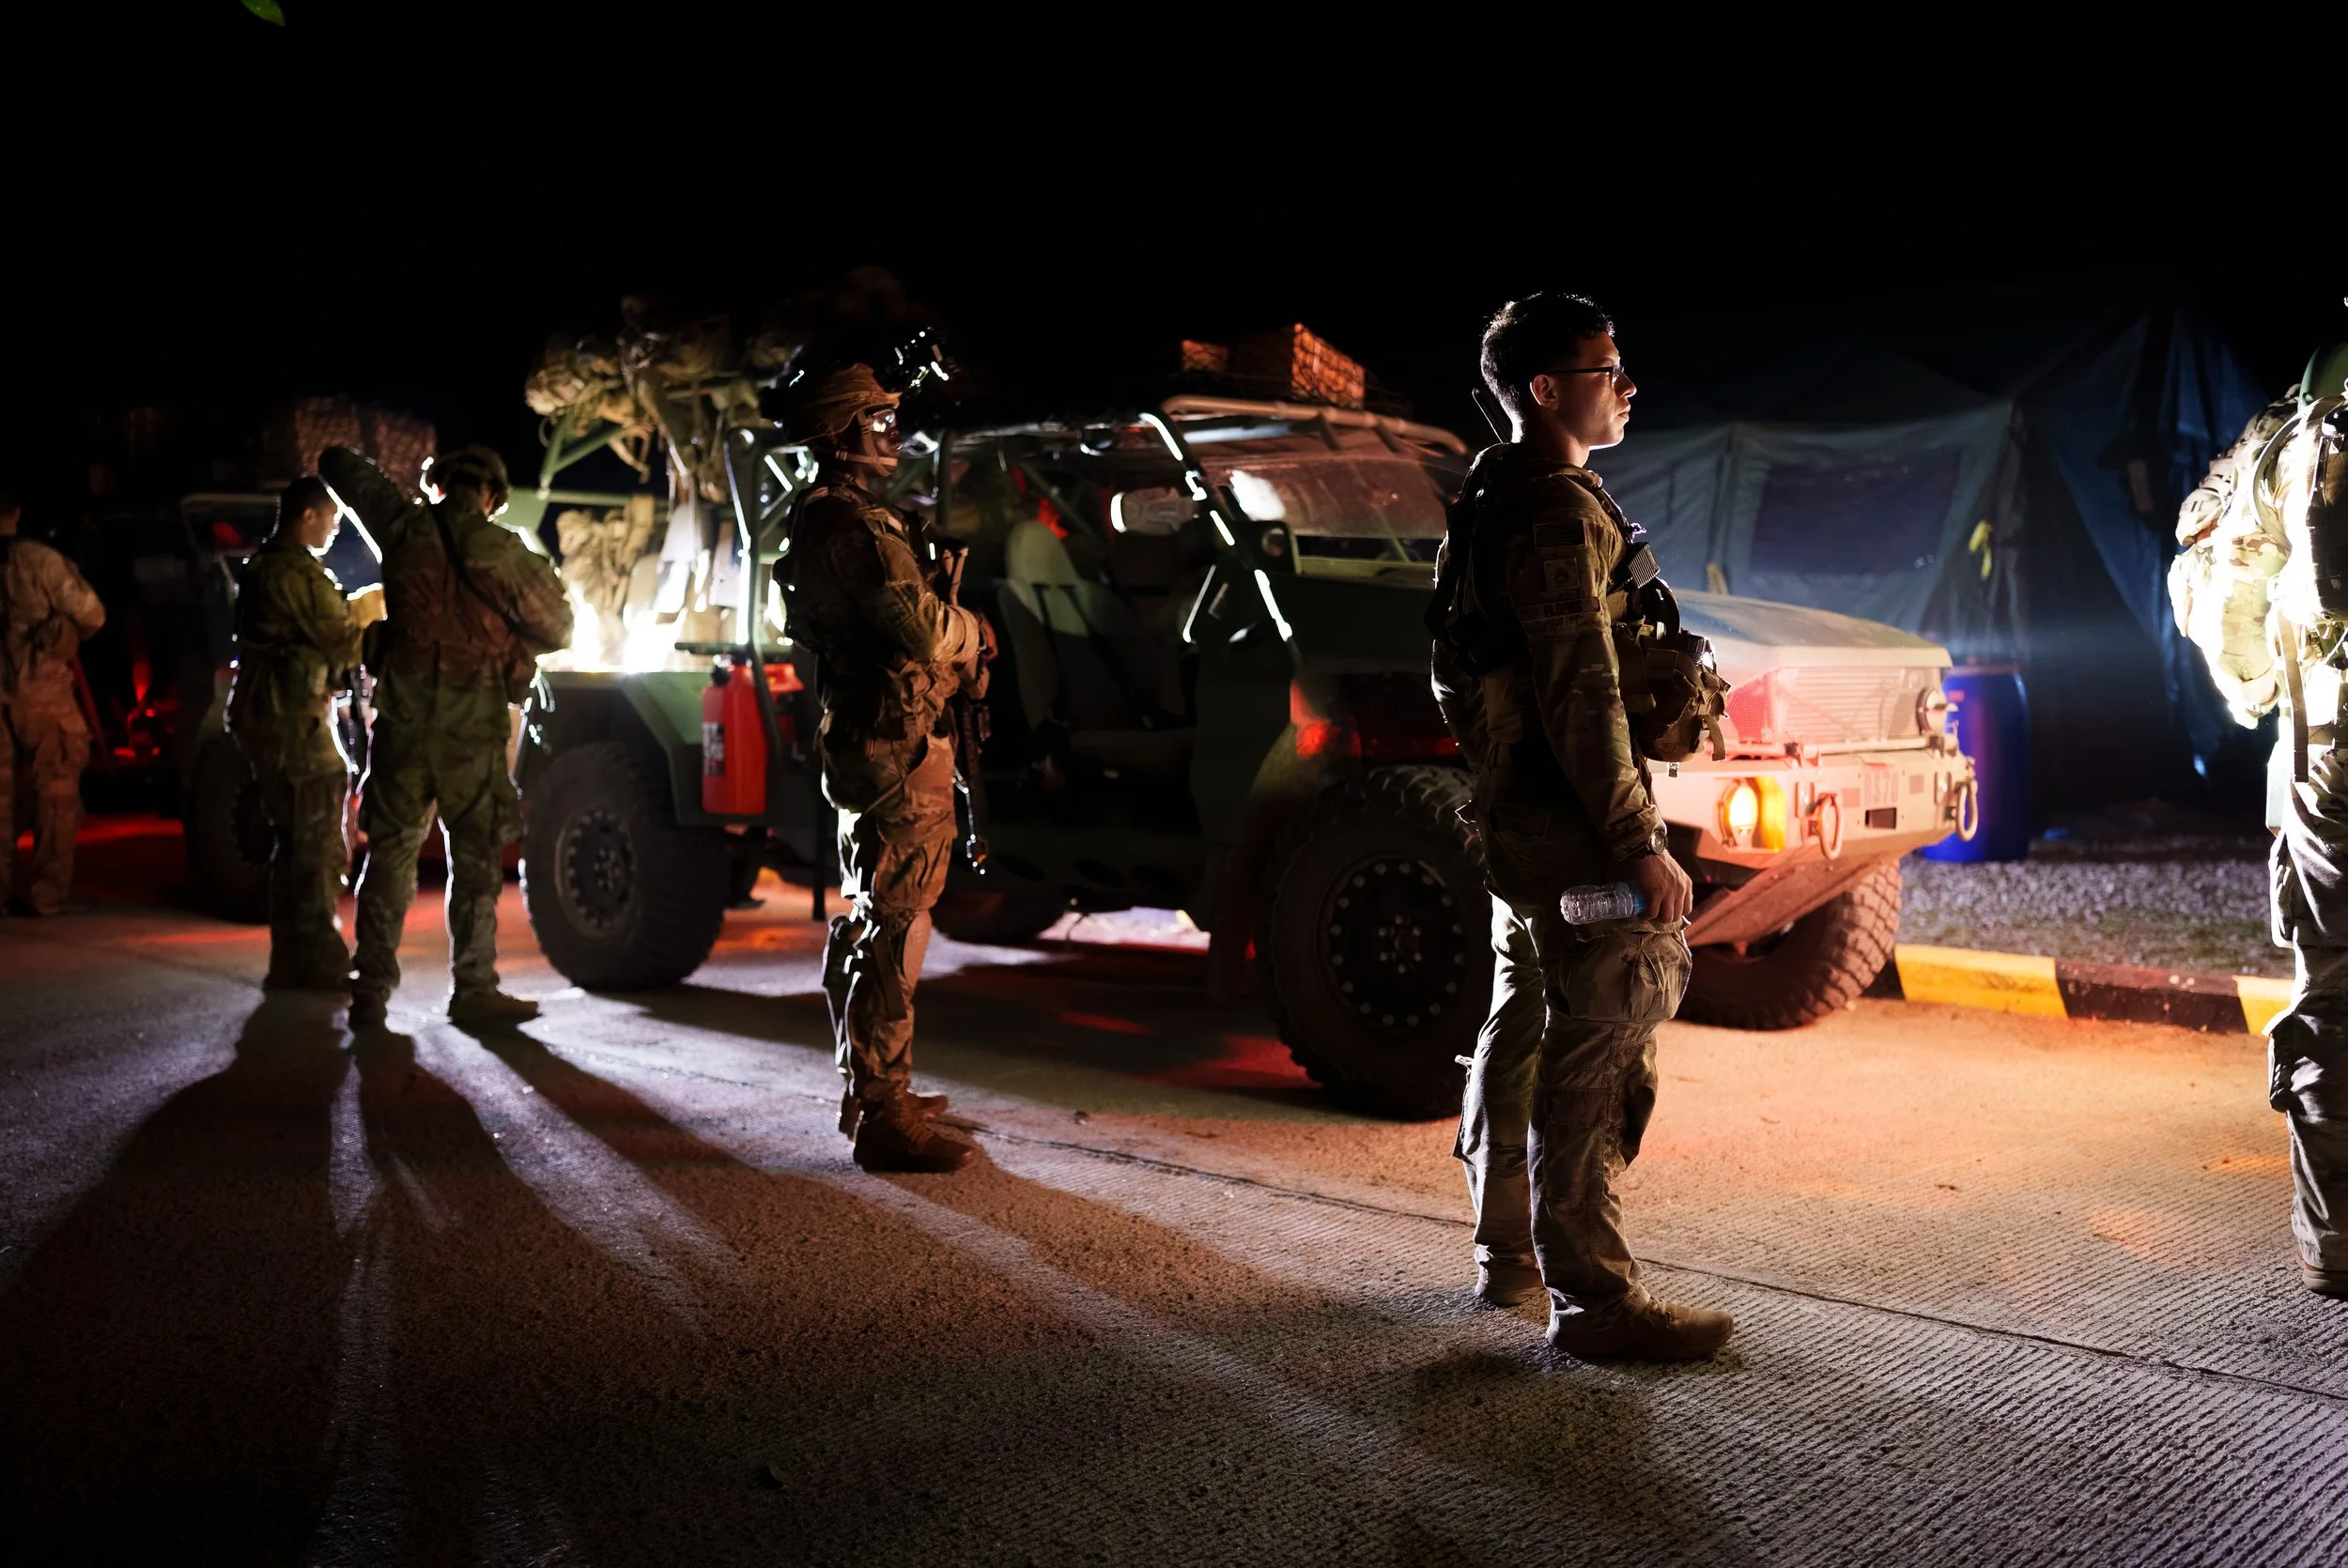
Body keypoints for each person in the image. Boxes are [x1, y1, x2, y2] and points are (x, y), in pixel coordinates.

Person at [1429, 294, 1733, 1360]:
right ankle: (1594, 1301)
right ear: (1549, 388)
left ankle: (1504, 1248)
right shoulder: (1554, 508)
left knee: (1521, 1017)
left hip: (1518, 813)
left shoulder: (1488, 491)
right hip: (1568, 822)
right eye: (1608, 368)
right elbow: (1580, 690)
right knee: (1602, 1029)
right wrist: (1638, 840)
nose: (1628, 384)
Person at [774, 362, 992, 1174]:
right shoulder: (848, 527)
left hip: (885, 737)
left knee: (885, 913)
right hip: (890, 747)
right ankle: (882, 1108)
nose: (892, 432)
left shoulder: (846, 518)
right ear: (840, 434)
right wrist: (973, 635)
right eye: (876, 419)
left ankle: (875, 1087)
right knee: (895, 920)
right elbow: (922, 630)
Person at [2171, 344, 2348, 1300]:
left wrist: (2255, 690)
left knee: (2335, 994)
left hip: (2336, 759)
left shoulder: (2308, 419)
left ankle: (2338, 1241)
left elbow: (2225, 591)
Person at [317, 445, 572, 1030]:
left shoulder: (402, 529)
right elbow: (560, 627)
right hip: (471, 736)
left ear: (437, 486)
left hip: (404, 729)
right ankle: (474, 990)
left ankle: (371, 991)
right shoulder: (505, 551)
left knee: (390, 859)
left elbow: (336, 463)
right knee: (476, 862)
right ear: (492, 497)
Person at [224, 476, 383, 989]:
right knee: (316, 844)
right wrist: (375, 601)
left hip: (277, 715)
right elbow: (340, 632)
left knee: (293, 844)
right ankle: (321, 966)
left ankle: (290, 963)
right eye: (331, 516)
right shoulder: (293, 570)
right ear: (306, 516)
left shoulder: (268, 567)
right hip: (291, 718)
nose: (337, 526)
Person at [0, 488, 106, 916]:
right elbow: (93, 615)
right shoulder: (40, 561)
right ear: (17, 509)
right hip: (41, 696)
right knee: (56, 794)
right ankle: (47, 895)